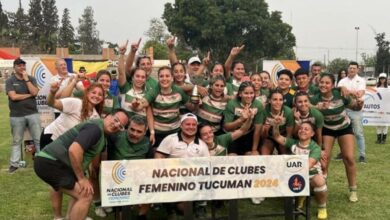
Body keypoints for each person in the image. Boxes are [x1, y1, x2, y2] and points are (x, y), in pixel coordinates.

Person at [34, 109, 129, 220]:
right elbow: (74, 150)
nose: (116, 125)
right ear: (108, 116)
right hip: (51, 162)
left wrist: (87, 174)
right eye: (116, 119)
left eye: (121, 126)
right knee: (86, 195)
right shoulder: (95, 129)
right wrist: (81, 178)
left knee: (85, 190)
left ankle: (70, 217)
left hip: (57, 163)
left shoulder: (102, 133)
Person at [41, 82, 104, 220]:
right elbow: (52, 103)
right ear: (87, 93)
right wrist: (52, 92)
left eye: (100, 94)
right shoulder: (75, 103)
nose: (96, 96)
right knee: (57, 181)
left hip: (71, 147)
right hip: (52, 139)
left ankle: (72, 215)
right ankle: (57, 217)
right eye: (94, 92)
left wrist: (92, 165)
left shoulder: (95, 118)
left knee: (77, 180)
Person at [310, 73, 362, 203]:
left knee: (349, 158)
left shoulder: (340, 94)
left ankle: (353, 190)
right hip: (327, 129)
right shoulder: (316, 98)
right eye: (322, 82)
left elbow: (355, 106)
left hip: (344, 127)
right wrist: (317, 107)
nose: (324, 85)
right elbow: (305, 105)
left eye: (327, 83)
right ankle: (322, 188)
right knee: (324, 160)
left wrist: (359, 104)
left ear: (333, 85)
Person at [155, 113, 209, 218]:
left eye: (194, 125)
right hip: (173, 179)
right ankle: (169, 206)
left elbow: (206, 165)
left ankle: (200, 205)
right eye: (187, 124)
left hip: (193, 180)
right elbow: (158, 157)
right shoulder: (170, 139)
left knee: (185, 209)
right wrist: (165, 172)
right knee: (182, 209)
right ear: (181, 125)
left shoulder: (202, 145)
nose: (191, 127)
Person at [272, 120, 328, 220]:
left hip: (311, 175)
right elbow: (277, 137)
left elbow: (309, 165)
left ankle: (322, 207)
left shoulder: (315, 148)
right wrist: (276, 125)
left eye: (306, 129)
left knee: (319, 181)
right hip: (295, 174)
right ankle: (300, 196)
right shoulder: (293, 143)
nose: (302, 131)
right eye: (301, 128)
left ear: (312, 133)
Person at [107, 115, 151, 219]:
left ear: (145, 132)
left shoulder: (148, 142)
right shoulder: (116, 137)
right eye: (132, 129)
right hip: (118, 177)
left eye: (139, 131)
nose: (134, 134)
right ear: (128, 127)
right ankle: (120, 210)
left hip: (139, 177)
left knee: (150, 187)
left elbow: (150, 164)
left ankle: (141, 215)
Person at [6, 58, 41, 173]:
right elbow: (13, 97)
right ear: (14, 67)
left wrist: (26, 80)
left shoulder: (31, 79)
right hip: (16, 115)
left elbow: (35, 92)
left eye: (23, 66)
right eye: (19, 66)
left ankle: (42, 161)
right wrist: (29, 95)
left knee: (38, 138)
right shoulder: (10, 80)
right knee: (17, 140)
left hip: (33, 114)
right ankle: (14, 164)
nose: (22, 68)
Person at [223, 81, 263, 156]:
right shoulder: (232, 104)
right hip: (234, 134)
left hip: (249, 135)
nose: (249, 96)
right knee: (232, 156)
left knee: (253, 156)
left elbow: (258, 130)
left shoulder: (258, 105)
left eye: (251, 93)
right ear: (240, 94)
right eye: (246, 93)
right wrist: (240, 120)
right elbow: (227, 127)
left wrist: (254, 150)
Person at [337, 62, 367, 163]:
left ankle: (362, 155)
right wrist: (349, 92)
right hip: (343, 109)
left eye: (354, 68)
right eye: (350, 68)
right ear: (348, 68)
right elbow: (340, 93)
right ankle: (342, 153)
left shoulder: (361, 80)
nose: (352, 70)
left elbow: (359, 94)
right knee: (341, 133)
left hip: (355, 109)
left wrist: (347, 91)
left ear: (358, 69)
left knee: (358, 133)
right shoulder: (342, 80)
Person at [260, 89, 294, 155]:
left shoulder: (288, 112)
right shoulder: (263, 111)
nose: (278, 102)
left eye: (280, 100)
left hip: (283, 136)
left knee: (285, 154)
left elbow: (289, 135)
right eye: (275, 99)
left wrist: (285, 145)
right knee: (264, 154)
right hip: (269, 137)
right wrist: (265, 130)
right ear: (270, 100)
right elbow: (261, 135)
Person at [376, 73, 388, 144]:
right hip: (378, 108)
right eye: (381, 78)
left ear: (385, 79)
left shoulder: (388, 88)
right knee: (378, 123)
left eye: (383, 78)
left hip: (386, 108)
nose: (382, 80)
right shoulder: (376, 88)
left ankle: (383, 139)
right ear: (379, 79)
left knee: (385, 124)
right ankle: (378, 138)